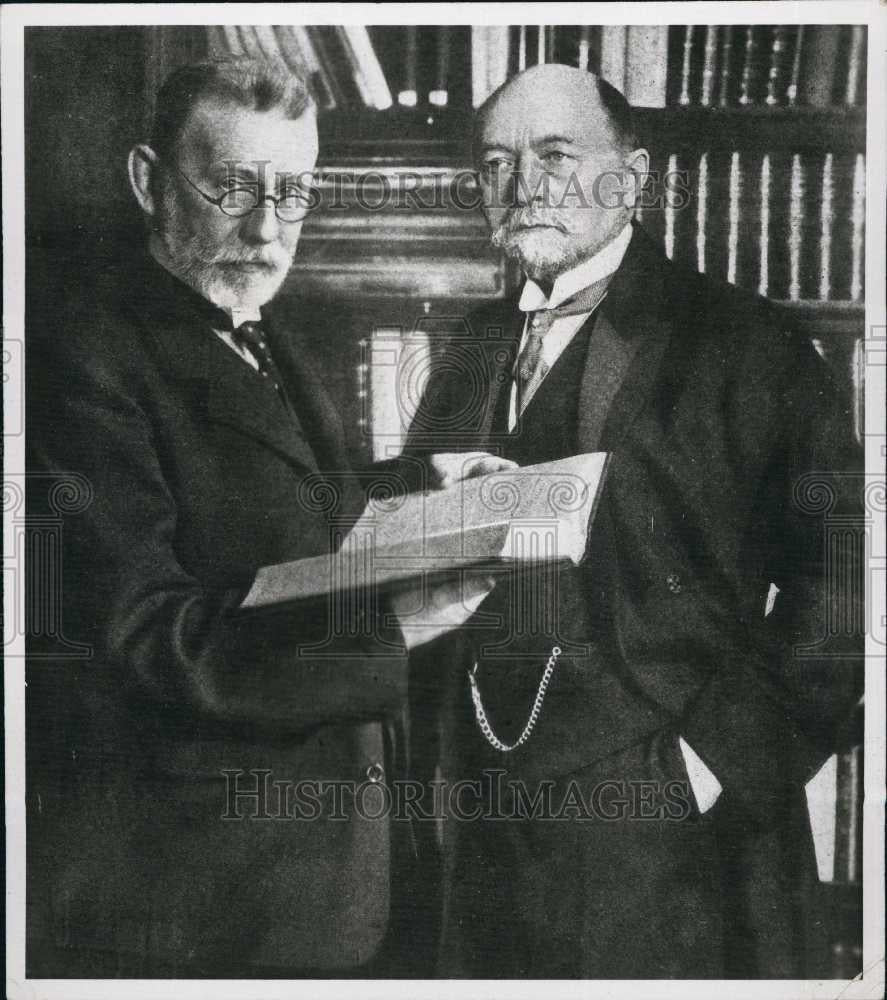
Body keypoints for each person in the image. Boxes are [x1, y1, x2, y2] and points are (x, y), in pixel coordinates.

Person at [25, 58, 490, 978]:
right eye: (231, 189)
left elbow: (271, 506)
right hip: (194, 899)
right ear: (146, 181)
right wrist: (392, 628)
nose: (268, 227)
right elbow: (148, 638)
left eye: (293, 192)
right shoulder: (82, 361)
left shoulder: (254, 317)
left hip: (314, 881)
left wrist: (414, 484)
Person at [403, 64, 863, 978]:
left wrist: (701, 768)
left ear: (634, 175)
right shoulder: (467, 349)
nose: (522, 186)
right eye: (496, 163)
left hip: (677, 850)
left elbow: (845, 592)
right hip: (482, 840)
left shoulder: (748, 343)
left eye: (555, 155)